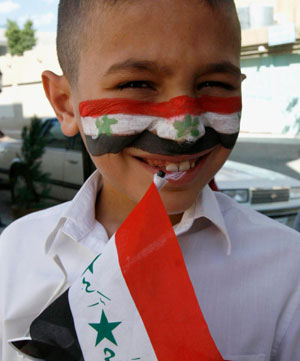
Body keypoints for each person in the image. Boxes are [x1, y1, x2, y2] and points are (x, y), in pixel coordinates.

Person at [1, 0, 300, 360]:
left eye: (214, 84)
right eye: (137, 84)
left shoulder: (287, 272)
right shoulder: (17, 249)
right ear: (65, 104)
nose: (184, 131)